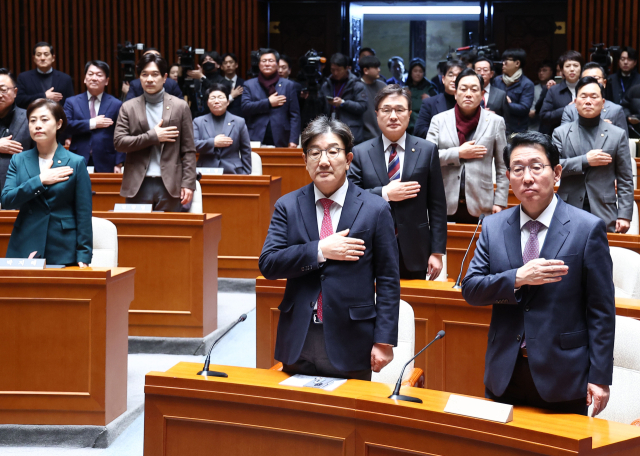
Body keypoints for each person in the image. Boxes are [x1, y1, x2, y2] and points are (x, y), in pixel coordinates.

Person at [462, 131, 615, 416]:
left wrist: (600, 377)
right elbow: (471, 289)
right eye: (518, 169)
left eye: (536, 166)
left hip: (565, 375)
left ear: (556, 173)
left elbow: (601, 310)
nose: (527, 177)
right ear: (508, 176)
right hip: (505, 373)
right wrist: (517, 277)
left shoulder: (587, 228)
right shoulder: (493, 227)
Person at [259, 116, 400, 380]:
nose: (324, 161)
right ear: (305, 161)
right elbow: (269, 263)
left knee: (348, 418)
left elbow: (389, 280)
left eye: (333, 152)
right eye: (315, 153)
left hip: (352, 337)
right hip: (299, 336)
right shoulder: (287, 206)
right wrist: (320, 249)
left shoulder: (375, 209)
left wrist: (384, 340)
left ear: (348, 160)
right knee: (298, 417)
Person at [348, 85, 447, 280]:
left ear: (409, 114)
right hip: (371, 245)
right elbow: (351, 196)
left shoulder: (427, 150)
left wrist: (437, 252)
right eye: (386, 110)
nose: (393, 116)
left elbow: (437, 205)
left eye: (400, 110)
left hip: (415, 248)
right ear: (377, 114)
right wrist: (385, 193)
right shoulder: (360, 152)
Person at [1, 98, 92, 266]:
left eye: (44, 119)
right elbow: (7, 200)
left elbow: (83, 213)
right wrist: (40, 180)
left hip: (62, 244)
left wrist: (84, 255)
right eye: (32, 120)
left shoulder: (75, 162)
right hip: (25, 242)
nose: (37, 125)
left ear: (58, 124)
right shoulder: (18, 160)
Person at [113, 53, 196, 212]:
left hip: (170, 184)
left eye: (154, 74)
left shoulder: (180, 106)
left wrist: (188, 183)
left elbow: (189, 150)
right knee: (138, 234)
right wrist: (153, 137)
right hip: (138, 184)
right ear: (139, 78)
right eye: (144, 74)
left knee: (169, 234)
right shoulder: (128, 107)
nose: (149, 79)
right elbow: (119, 143)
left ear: (165, 77)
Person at [427, 68, 509, 223]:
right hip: (444, 201)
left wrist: (500, 201)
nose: (468, 94)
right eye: (463, 89)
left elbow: (502, 166)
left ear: (482, 94)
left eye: (474, 89)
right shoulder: (438, 120)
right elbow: (428, 159)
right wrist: (458, 153)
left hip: (482, 204)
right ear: (455, 93)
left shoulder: (495, 122)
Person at [553, 76, 633, 233]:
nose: (588, 101)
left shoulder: (617, 134)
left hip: (603, 210)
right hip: (567, 208)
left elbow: (625, 179)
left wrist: (624, 215)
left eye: (594, 96)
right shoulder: (560, 133)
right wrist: (585, 160)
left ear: (603, 103)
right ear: (575, 102)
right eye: (583, 96)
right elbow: (552, 169)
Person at [63, 61, 125, 173]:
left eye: (99, 75)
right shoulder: (72, 102)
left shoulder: (116, 104)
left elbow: (121, 134)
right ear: (85, 79)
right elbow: (65, 125)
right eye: (90, 74)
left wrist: (119, 163)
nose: (94, 78)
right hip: (78, 157)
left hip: (107, 160)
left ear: (106, 81)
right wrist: (92, 123)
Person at [242, 48, 301, 148]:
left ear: (277, 64)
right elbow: (245, 108)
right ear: (259, 64)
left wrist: (293, 140)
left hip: (282, 136)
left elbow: (294, 115)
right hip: (255, 135)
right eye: (264, 61)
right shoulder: (249, 84)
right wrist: (268, 103)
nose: (267, 64)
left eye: (271, 61)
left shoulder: (288, 85)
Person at [193, 84, 251, 174]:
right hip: (206, 171)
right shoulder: (198, 122)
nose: (216, 101)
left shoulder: (239, 122)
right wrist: (213, 143)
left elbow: (245, 150)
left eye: (220, 97)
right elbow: (192, 145)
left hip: (233, 171)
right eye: (212, 98)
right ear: (207, 103)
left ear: (228, 102)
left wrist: (246, 173)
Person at [561, 63, 627, 131]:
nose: (591, 82)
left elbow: (622, 139)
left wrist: (610, 130)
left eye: (596, 78)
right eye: (587, 79)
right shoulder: (570, 110)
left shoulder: (616, 110)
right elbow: (563, 136)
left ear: (604, 83)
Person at [319, 53, 368, 145]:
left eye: (338, 70)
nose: (335, 73)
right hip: (329, 131)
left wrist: (343, 103)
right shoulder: (327, 84)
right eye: (332, 70)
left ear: (347, 68)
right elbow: (320, 106)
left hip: (350, 132)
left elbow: (362, 106)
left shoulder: (356, 84)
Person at [413, 60, 466, 139]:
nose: (454, 79)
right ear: (443, 79)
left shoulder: (471, 102)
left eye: (458, 76)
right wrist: (447, 136)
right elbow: (419, 131)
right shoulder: (429, 103)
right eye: (450, 75)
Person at [0, 69, 34, 190]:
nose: (0, 95)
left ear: (15, 92)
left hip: (20, 191)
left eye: (3, 90)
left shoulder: (30, 118)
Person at [16, 42, 74, 109]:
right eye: (38, 55)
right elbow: (19, 100)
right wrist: (44, 96)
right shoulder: (24, 77)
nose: (42, 58)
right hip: (31, 117)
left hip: (57, 117)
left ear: (53, 58)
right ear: (34, 58)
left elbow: (70, 104)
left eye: (46, 55)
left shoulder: (65, 78)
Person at [539, 51, 583, 135]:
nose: (572, 69)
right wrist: (567, 109)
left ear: (581, 68)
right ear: (562, 70)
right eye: (567, 66)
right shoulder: (554, 90)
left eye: (576, 65)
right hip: (560, 136)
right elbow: (544, 116)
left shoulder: (588, 88)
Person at [493, 48, 535, 134]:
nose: (502, 64)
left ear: (517, 63)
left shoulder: (527, 84)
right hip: (497, 127)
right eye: (502, 61)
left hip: (517, 129)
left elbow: (524, 109)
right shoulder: (497, 80)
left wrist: (507, 104)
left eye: (506, 61)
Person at [405, 58, 438, 135]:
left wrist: (430, 100)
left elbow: (439, 104)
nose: (418, 74)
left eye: (420, 71)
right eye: (415, 71)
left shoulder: (430, 87)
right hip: (407, 126)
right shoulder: (406, 87)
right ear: (411, 72)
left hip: (424, 125)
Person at [473, 57, 510, 126]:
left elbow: (506, 121)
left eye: (485, 70)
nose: (481, 73)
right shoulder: (467, 93)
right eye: (478, 70)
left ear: (491, 74)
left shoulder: (500, 94)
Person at [359, 55, 386, 142]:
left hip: (383, 134)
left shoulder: (382, 86)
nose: (379, 70)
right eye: (375, 67)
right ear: (365, 70)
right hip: (362, 137)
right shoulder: (356, 87)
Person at [530, 60, 554, 127]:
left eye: (544, 70)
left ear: (551, 72)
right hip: (535, 126)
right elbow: (531, 113)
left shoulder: (556, 88)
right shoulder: (533, 88)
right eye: (539, 71)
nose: (541, 73)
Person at [221, 53, 245, 118]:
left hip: (240, 119)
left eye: (231, 62)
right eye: (225, 63)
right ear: (221, 67)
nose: (228, 65)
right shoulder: (218, 84)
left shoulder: (244, 83)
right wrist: (232, 96)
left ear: (236, 65)